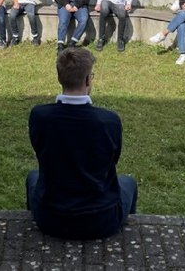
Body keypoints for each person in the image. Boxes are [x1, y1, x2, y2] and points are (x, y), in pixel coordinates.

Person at [26, 48, 137, 239]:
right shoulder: (109, 121)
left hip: (50, 218)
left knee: (32, 177)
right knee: (128, 182)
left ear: (59, 77)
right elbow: (113, 159)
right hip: (101, 220)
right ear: (88, 80)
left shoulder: (39, 116)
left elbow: (40, 152)